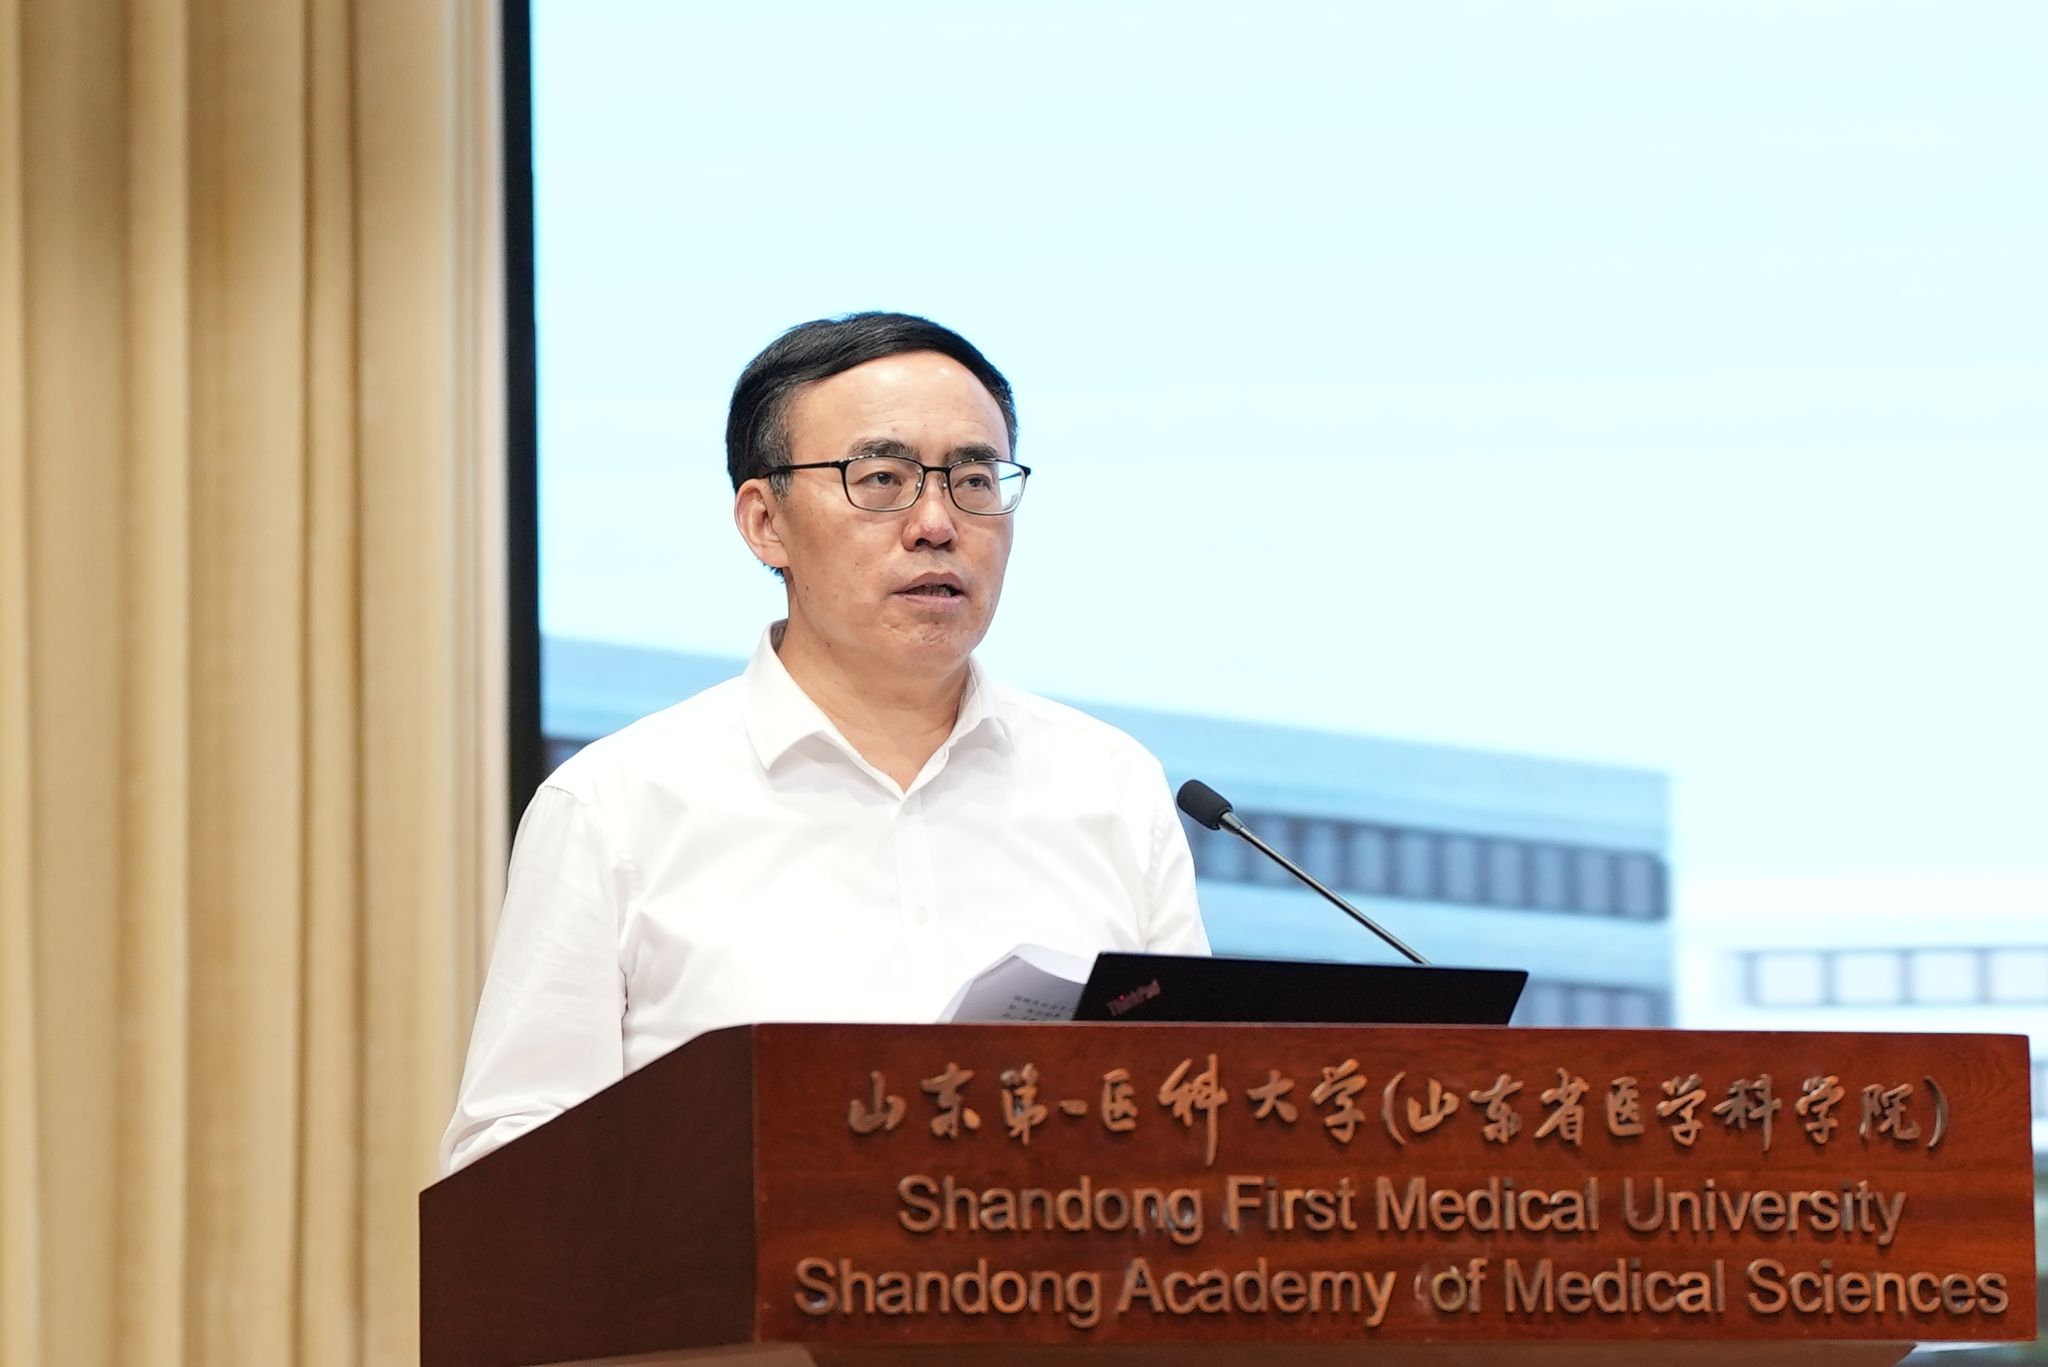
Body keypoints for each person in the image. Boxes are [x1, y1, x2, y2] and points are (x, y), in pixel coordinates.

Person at [438, 312, 1208, 1174]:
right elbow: (503, 1156)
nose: (936, 522)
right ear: (765, 521)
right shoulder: (616, 804)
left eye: (973, 479)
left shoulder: (1111, 785)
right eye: (881, 478)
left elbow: (1204, 1105)